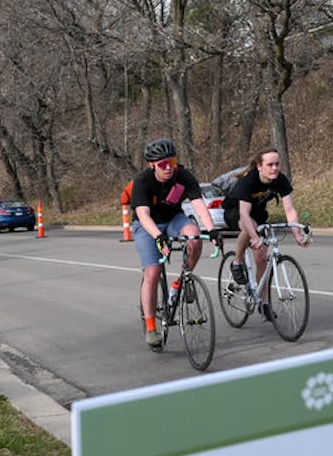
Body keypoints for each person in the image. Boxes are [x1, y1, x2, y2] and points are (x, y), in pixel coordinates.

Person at [129, 138, 221, 350]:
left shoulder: (183, 176)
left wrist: (212, 230)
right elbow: (142, 214)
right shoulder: (142, 181)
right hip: (147, 226)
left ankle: (182, 280)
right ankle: (151, 327)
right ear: (152, 165)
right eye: (162, 164)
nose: (169, 167)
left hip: (173, 219)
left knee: (194, 236)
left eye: (172, 161)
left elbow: (198, 205)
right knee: (152, 272)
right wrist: (158, 237)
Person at [224, 148, 309, 287]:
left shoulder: (280, 180)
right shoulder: (249, 180)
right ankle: (237, 262)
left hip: (258, 213)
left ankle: (262, 302)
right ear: (260, 167)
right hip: (235, 211)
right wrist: (255, 237)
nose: (274, 168)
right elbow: (244, 214)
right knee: (249, 227)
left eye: (277, 164)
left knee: (262, 258)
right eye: (270, 165)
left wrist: (297, 234)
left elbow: (290, 210)